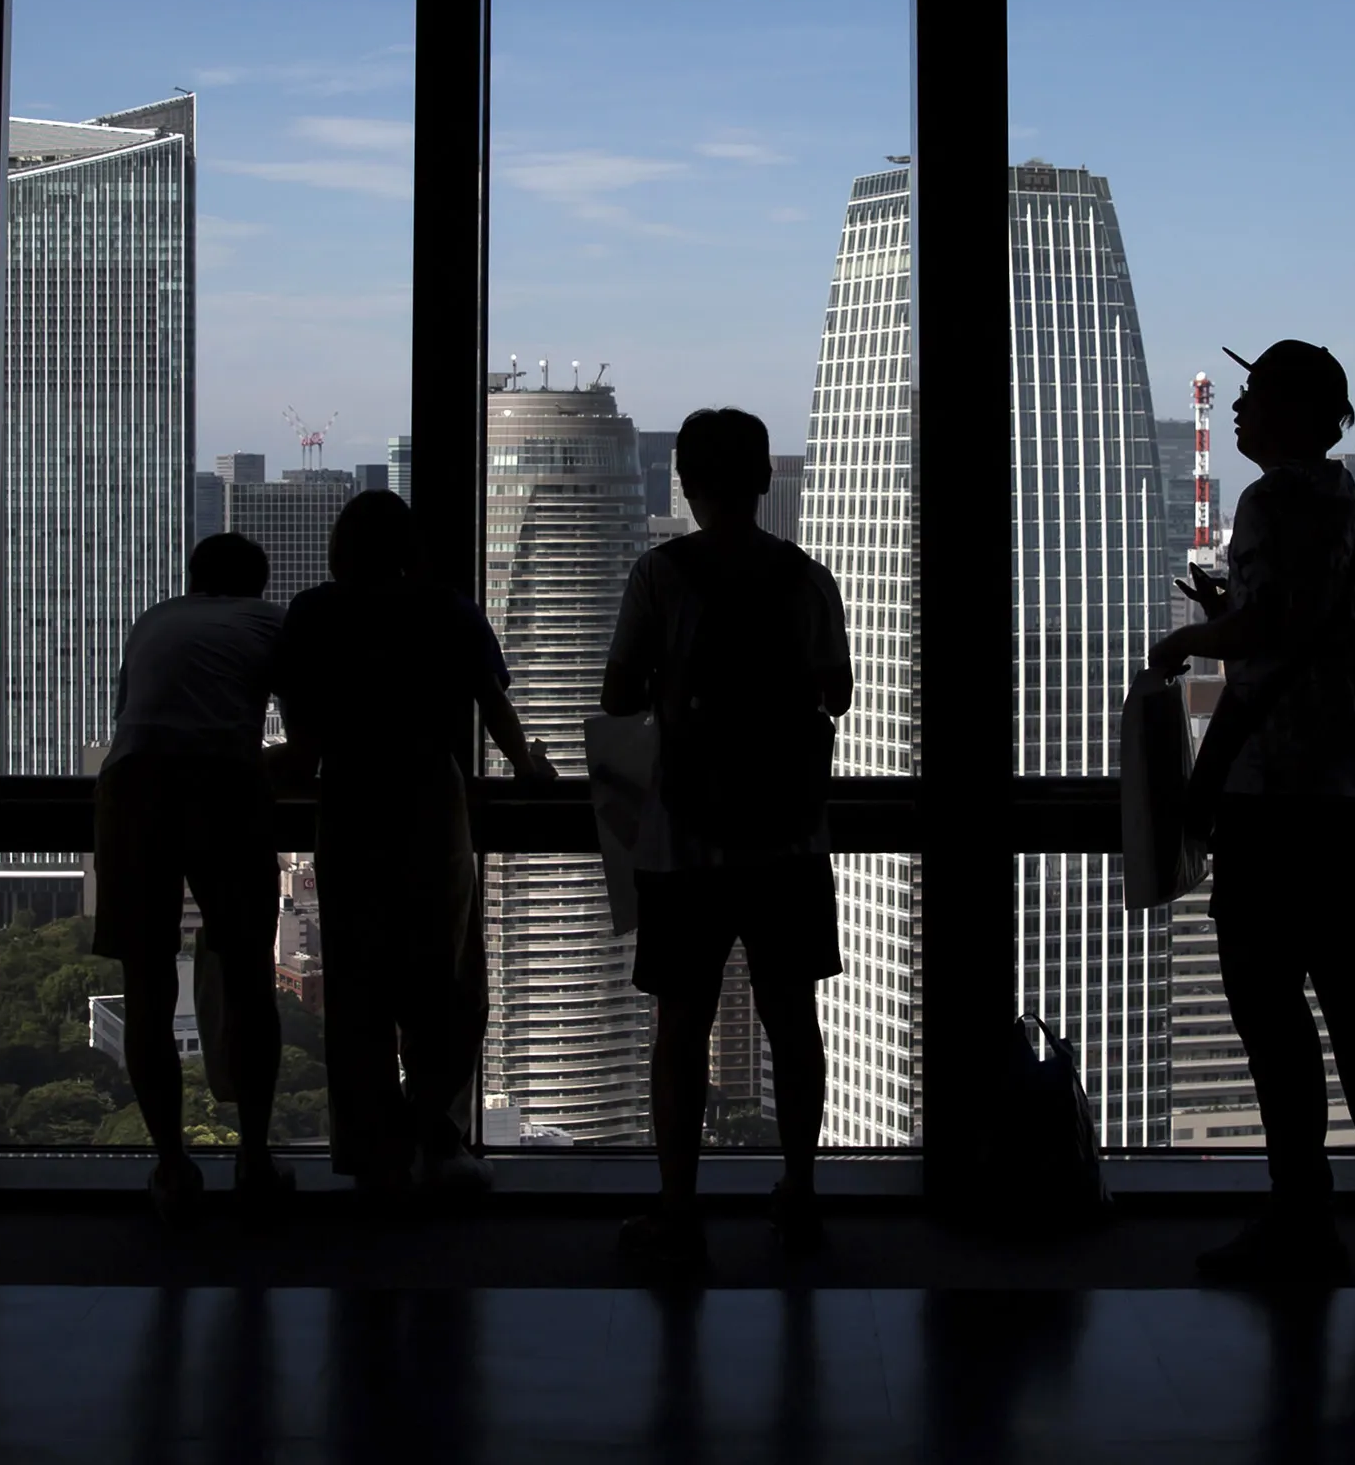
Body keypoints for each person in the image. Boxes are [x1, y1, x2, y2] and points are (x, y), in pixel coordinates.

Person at [1148, 340, 1355, 1286]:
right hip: (1346, 793)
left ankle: (1302, 1208)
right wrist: (1238, 610)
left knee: (1270, 1008)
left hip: (1273, 799)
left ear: (1299, 411)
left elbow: (1268, 643)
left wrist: (1192, 637)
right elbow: (1326, 631)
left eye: (1256, 393)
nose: (1238, 407)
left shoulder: (1271, 501)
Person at [599, 405, 853, 1276]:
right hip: (790, 836)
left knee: (681, 1025)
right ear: (765, 478)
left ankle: (678, 1210)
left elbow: (618, 696)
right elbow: (838, 694)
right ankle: (800, 1191)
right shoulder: (806, 577)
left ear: (685, 483)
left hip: (685, 838)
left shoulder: (660, 575)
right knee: (793, 1020)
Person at [273, 491, 563, 1204]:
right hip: (432, 801)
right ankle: (436, 1137)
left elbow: (302, 746)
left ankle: (373, 1153)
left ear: (340, 548)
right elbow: (494, 704)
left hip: (349, 802)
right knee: (448, 983)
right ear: (410, 548)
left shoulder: (313, 614)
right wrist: (528, 767)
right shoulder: (446, 610)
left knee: (357, 986)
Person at [94, 531, 299, 1227]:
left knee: (146, 984)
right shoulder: (272, 622)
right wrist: (253, 768)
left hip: (130, 787)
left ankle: (172, 1166)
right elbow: (305, 744)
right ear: (259, 584)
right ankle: (255, 1157)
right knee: (248, 979)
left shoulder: (154, 618)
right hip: (222, 785)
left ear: (192, 578)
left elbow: (136, 720)